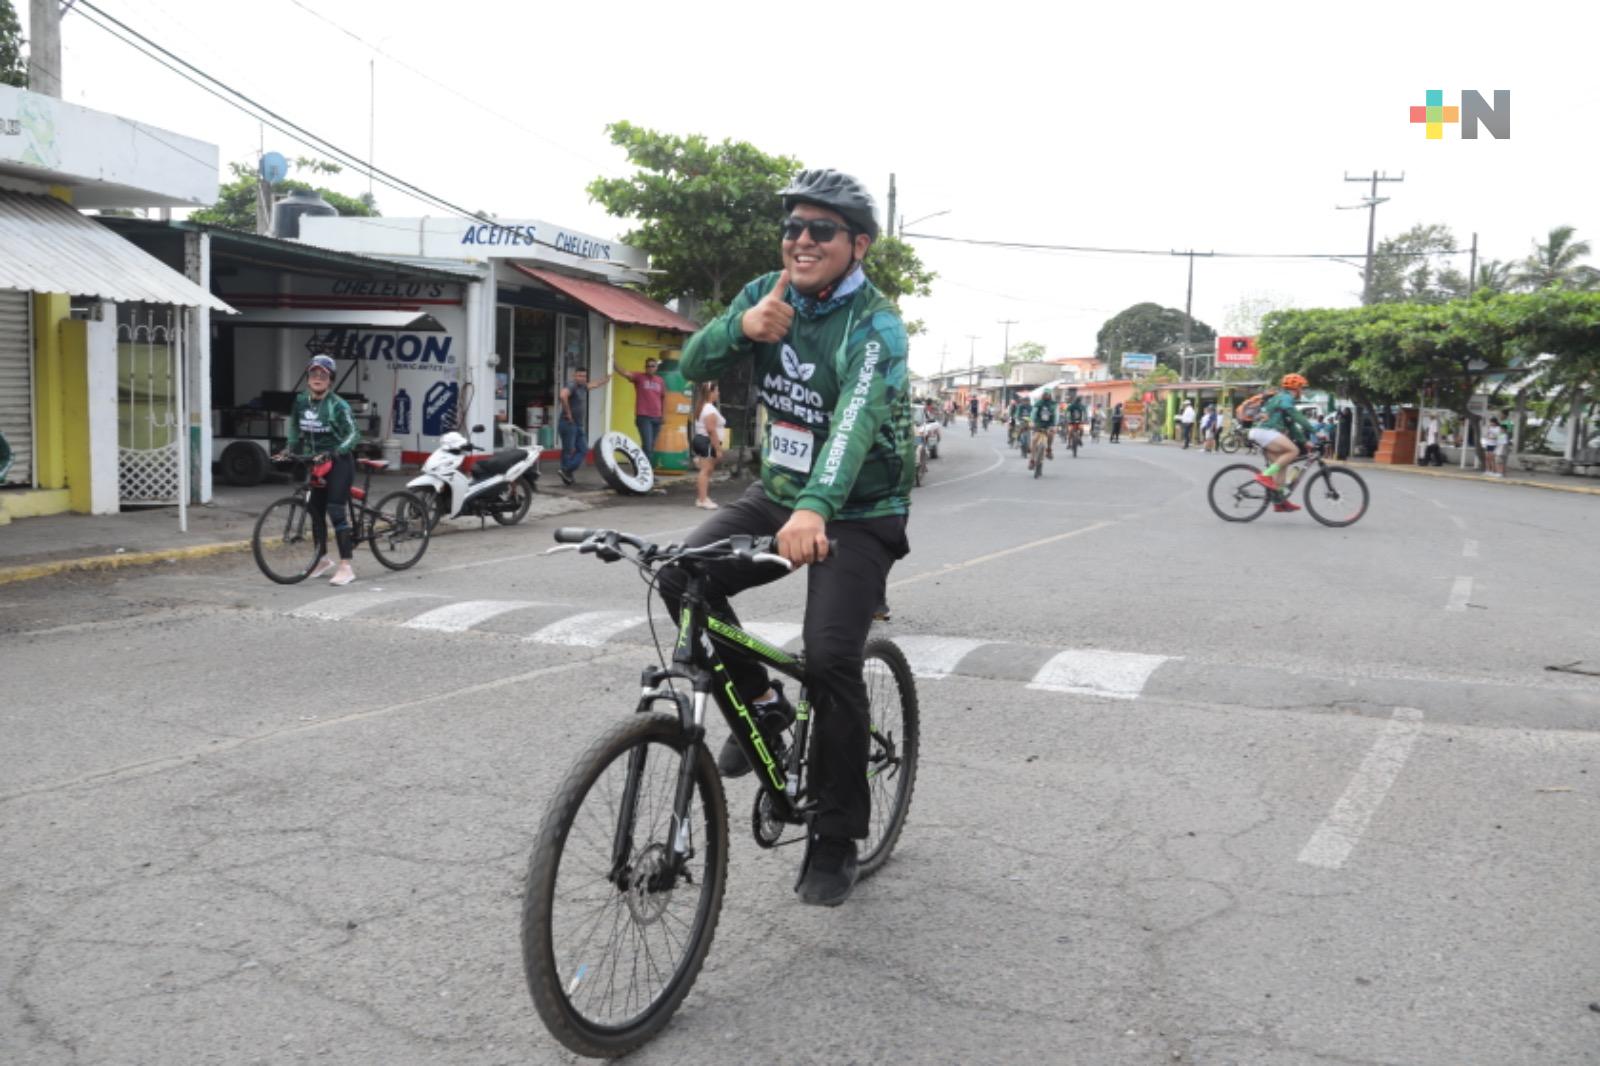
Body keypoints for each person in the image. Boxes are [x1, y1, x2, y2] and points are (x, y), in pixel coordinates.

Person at [669, 168, 912, 907]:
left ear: (858, 244)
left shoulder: (875, 325)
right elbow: (691, 365)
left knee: (834, 655)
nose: (802, 241)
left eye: (822, 230)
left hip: (859, 510)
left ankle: (837, 835)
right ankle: (765, 707)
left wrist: (815, 509)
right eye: (793, 229)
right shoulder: (762, 294)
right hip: (778, 495)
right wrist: (735, 329)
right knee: (681, 575)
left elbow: (854, 420)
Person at [275, 354, 362, 586]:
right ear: (308, 378)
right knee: (315, 513)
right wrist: (289, 448)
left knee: (335, 510)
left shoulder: (338, 405)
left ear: (330, 379)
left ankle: (346, 566)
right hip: (316, 462)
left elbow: (354, 434)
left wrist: (336, 451)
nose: (317, 378)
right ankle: (321, 559)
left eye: (323, 375)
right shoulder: (302, 402)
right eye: (314, 373)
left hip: (338, 462)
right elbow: (294, 428)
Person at [1250, 373, 1321, 512]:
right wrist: (1314, 431)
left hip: (1261, 432)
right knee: (1293, 451)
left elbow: (1291, 425)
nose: (1303, 391)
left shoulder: (1280, 398)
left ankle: (1279, 501)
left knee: (1282, 464)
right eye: (1302, 388)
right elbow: (1296, 415)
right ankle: (1264, 476)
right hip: (1265, 431)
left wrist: (1305, 441)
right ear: (1296, 388)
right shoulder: (1286, 398)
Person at [556, 365, 612, 486]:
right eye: (579, 375)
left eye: (584, 376)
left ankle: (566, 470)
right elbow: (562, 395)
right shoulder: (572, 385)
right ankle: (567, 473)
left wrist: (606, 380)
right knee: (568, 450)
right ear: (574, 376)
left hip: (578, 425)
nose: (582, 378)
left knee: (583, 449)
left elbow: (594, 385)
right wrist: (568, 413)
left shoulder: (583, 386)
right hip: (568, 423)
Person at [617, 357, 666, 462]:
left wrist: (663, 415)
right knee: (647, 446)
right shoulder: (639, 377)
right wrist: (613, 363)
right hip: (644, 417)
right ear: (645, 367)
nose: (650, 368)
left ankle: (641, 469)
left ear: (656, 367)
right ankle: (647, 473)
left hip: (657, 417)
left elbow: (663, 398)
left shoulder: (660, 380)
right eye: (648, 366)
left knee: (651, 447)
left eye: (653, 366)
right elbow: (625, 373)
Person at [690, 381, 726, 508]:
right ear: (711, 392)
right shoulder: (709, 409)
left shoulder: (704, 407)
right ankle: (702, 499)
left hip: (702, 440)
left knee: (706, 470)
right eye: (716, 391)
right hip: (706, 442)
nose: (718, 393)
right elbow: (711, 430)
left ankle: (703, 497)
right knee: (706, 471)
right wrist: (718, 448)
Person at [1028, 387, 1057, 468]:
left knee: (1051, 435)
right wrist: (1032, 421)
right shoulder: (1038, 403)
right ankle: (1032, 460)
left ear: (1050, 395)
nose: (1046, 395)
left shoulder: (1053, 404)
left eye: (1048, 394)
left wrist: (1055, 425)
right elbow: (1033, 413)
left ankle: (1049, 450)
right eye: (1045, 394)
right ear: (1043, 394)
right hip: (1038, 424)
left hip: (1049, 424)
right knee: (1034, 440)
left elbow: (1056, 415)